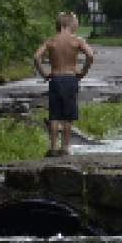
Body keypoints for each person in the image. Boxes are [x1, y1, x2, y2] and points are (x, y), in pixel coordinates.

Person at [32, 11, 94, 157]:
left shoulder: (51, 40)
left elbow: (36, 57)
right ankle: (65, 148)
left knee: (54, 115)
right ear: (71, 24)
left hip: (56, 79)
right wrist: (83, 72)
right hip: (71, 78)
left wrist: (45, 74)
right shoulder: (77, 41)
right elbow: (90, 55)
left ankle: (53, 148)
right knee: (68, 116)